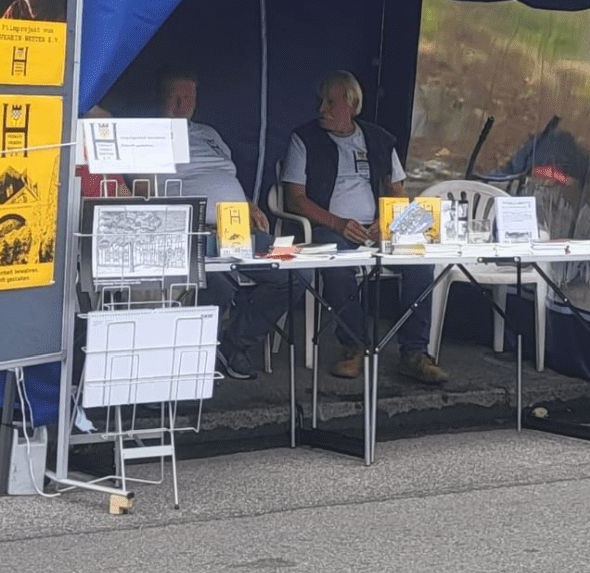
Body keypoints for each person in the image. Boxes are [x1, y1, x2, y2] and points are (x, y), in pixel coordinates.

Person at [282, 70, 447, 384]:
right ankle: (354, 346)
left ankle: (414, 352)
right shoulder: (304, 139)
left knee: (421, 262)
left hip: (375, 227)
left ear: (352, 104)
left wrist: (387, 224)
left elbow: (397, 192)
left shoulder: (379, 139)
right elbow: (295, 200)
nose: (322, 109)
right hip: (330, 227)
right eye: (320, 102)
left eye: (331, 102)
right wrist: (339, 223)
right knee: (336, 265)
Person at [158, 70, 292, 380]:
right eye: (174, 97)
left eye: (188, 97)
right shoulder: (149, 135)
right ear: (159, 98)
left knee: (294, 270)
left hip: (237, 229)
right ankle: (200, 356)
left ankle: (234, 345)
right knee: (216, 283)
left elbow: (225, 177)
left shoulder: (209, 134)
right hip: (192, 232)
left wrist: (249, 203)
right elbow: (144, 193)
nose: (181, 105)